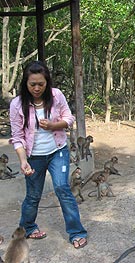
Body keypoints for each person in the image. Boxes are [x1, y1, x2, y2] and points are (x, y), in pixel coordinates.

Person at [9, 61, 88, 248]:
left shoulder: (56, 95)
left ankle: (76, 232)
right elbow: (17, 137)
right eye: (32, 84)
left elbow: (69, 118)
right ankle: (27, 228)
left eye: (41, 84)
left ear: (47, 82)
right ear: (25, 83)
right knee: (33, 195)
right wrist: (23, 161)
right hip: (33, 156)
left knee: (62, 188)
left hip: (57, 151)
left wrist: (54, 125)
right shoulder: (17, 104)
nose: (37, 88)